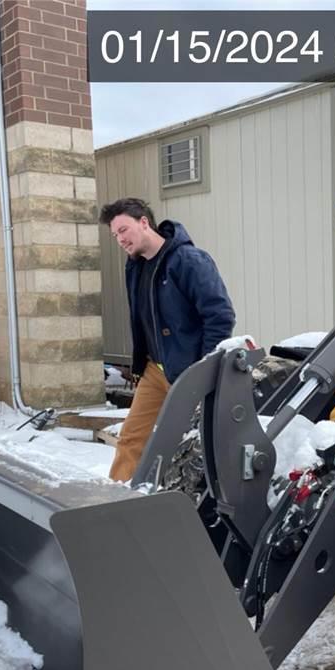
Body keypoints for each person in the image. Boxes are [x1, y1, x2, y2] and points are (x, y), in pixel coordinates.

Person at [99, 198, 235, 482]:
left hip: (189, 373)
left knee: (193, 450)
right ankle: (117, 502)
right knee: (131, 439)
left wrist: (202, 370)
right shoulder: (135, 267)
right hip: (154, 371)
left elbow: (220, 316)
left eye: (123, 230)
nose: (120, 239)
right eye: (115, 235)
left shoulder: (189, 261)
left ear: (144, 222)